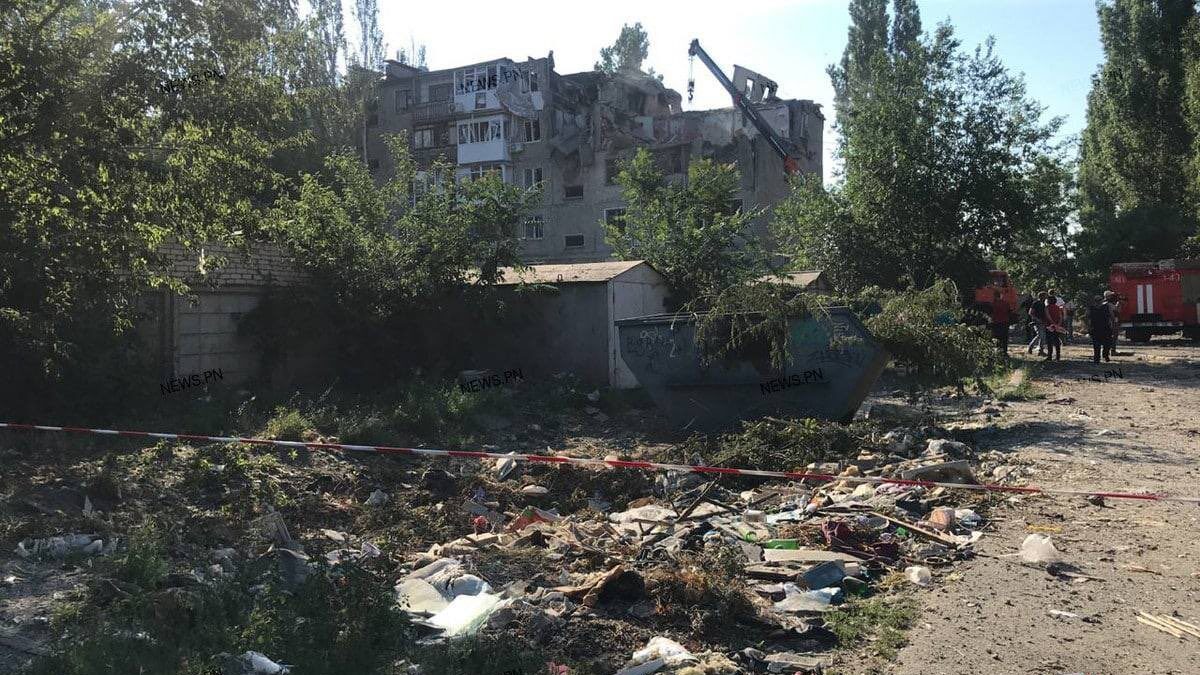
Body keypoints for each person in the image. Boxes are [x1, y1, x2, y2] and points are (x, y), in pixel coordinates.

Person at [1087, 295, 1113, 363]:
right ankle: (1105, 355)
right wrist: (1111, 325)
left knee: (1096, 344)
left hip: (1096, 328)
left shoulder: (1091, 308)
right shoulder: (1106, 307)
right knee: (1106, 343)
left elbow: (1088, 318)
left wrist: (1089, 327)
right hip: (1105, 328)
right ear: (1102, 300)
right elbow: (1111, 316)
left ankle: (1097, 358)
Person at [1027, 292, 1049, 356]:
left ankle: (1040, 351)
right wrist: (1036, 319)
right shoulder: (1035, 303)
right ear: (1041, 296)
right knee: (1040, 335)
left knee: (1042, 336)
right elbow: (1030, 312)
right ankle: (1030, 347)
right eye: (1045, 296)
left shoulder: (1043, 304)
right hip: (1037, 322)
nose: (1046, 297)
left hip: (1042, 322)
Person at [1044, 292, 1064, 361]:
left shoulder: (1047, 307)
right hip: (1057, 326)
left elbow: (1048, 316)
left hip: (1049, 326)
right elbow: (1061, 317)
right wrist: (1058, 324)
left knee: (1049, 341)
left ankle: (1049, 356)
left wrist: (1052, 323)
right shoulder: (1058, 308)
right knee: (1056, 341)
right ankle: (1058, 356)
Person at [1104, 290, 1122, 355]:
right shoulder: (1109, 304)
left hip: (1105, 323)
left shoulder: (1103, 304)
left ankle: (1106, 351)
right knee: (1114, 336)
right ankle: (1113, 351)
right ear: (1108, 296)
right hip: (1111, 322)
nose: (1112, 297)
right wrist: (1119, 303)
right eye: (1111, 296)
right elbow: (1117, 311)